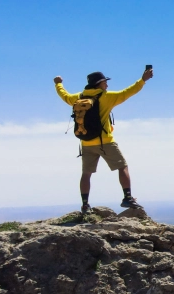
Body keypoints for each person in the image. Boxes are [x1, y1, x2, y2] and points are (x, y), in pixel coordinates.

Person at [53, 68, 154, 213]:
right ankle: (127, 198)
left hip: (86, 142)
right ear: (99, 84)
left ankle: (85, 205)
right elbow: (128, 92)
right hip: (105, 141)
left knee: (86, 173)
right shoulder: (106, 97)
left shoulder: (78, 97)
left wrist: (58, 84)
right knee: (122, 166)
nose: (107, 84)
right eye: (105, 82)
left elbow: (65, 96)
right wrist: (143, 79)